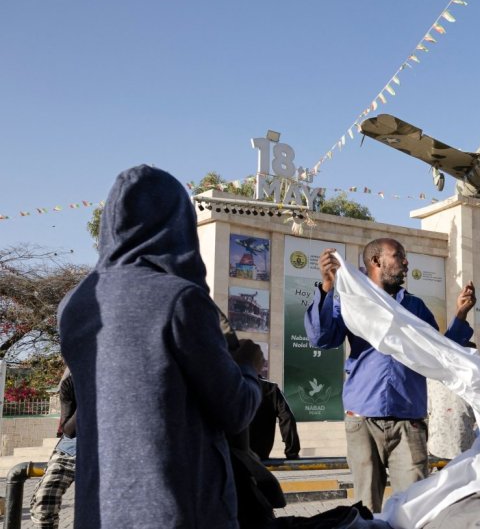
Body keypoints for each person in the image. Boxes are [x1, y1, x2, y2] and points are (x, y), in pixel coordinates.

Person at [59, 165, 264, 529]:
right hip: (179, 508)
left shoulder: (74, 306)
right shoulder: (181, 299)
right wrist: (248, 364)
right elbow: (234, 409)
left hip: (99, 511)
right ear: (179, 225)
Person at [305, 238, 476, 513]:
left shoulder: (415, 307)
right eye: (399, 256)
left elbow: (441, 354)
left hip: (409, 421)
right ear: (376, 262)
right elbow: (321, 338)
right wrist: (327, 287)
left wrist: (461, 315)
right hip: (363, 420)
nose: (406, 262)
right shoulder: (352, 301)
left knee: (414, 507)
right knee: (366, 509)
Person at [29, 371, 77, 529]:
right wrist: (88, 398)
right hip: (73, 447)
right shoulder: (70, 383)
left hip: (112, 446)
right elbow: (68, 430)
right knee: (44, 499)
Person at [248, 378, 301, 461]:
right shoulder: (270, 387)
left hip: (230, 453)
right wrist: (292, 452)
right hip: (259, 452)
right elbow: (287, 418)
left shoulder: (229, 384)